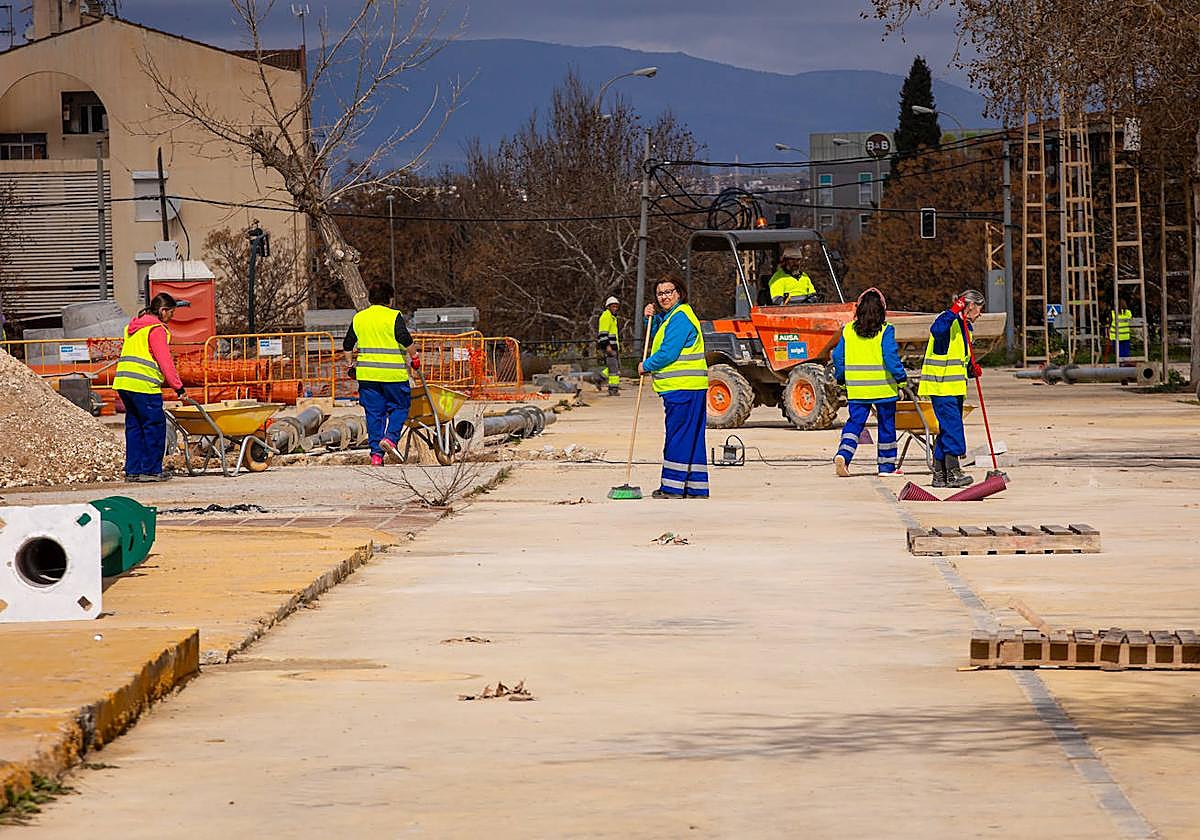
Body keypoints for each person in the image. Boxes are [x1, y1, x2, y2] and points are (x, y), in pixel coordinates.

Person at [639, 278, 709, 498]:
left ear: (679, 293)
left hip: (682, 388)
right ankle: (696, 487)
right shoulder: (674, 317)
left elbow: (668, 353)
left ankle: (672, 487)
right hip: (692, 387)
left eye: (669, 292)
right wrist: (648, 318)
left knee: (677, 436)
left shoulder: (680, 318)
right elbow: (659, 332)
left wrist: (646, 366)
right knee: (692, 437)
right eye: (660, 293)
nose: (664, 297)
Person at [832, 288, 906, 476]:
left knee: (855, 423)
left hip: (857, 389)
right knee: (886, 425)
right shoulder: (886, 330)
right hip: (884, 389)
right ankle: (886, 467)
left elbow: (838, 357)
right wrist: (901, 378)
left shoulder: (848, 331)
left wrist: (841, 379)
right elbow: (890, 357)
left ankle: (844, 454)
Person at [112, 292, 186, 482]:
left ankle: (133, 471)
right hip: (144, 385)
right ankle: (151, 470)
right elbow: (165, 362)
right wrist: (178, 388)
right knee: (154, 426)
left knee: (135, 427)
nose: (172, 317)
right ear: (162, 311)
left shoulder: (134, 327)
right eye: (171, 313)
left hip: (124, 383)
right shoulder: (156, 329)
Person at [918, 288, 985, 489]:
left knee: (947, 430)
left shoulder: (965, 326)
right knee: (954, 428)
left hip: (954, 386)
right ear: (970, 305)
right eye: (979, 309)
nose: (980, 314)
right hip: (941, 386)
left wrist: (970, 368)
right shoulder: (947, 321)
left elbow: (958, 355)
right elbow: (937, 331)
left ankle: (940, 475)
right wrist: (954, 310)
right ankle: (954, 472)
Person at [344, 284, 416, 466]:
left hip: (367, 376)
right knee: (400, 406)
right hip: (393, 375)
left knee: (374, 413)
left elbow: (347, 344)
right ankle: (390, 439)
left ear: (371, 298)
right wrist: (414, 357)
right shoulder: (393, 316)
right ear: (390, 299)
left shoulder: (360, 317)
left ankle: (376, 455)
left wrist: (350, 363)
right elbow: (404, 338)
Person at [597, 295, 621, 396]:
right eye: (613, 306)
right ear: (608, 307)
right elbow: (603, 333)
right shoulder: (606, 316)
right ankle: (613, 389)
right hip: (609, 346)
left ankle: (598, 379)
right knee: (613, 370)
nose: (615, 308)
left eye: (616, 306)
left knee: (615, 367)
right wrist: (607, 346)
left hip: (613, 346)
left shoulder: (612, 318)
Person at [1108, 300, 1132, 364]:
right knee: (1126, 351)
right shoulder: (1128, 313)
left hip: (1116, 335)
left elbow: (1109, 324)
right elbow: (1130, 320)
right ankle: (1126, 363)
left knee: (1119, 351)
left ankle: (1121, 364)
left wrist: (1108, 335)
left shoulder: (1113, 313)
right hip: (1125, 335)